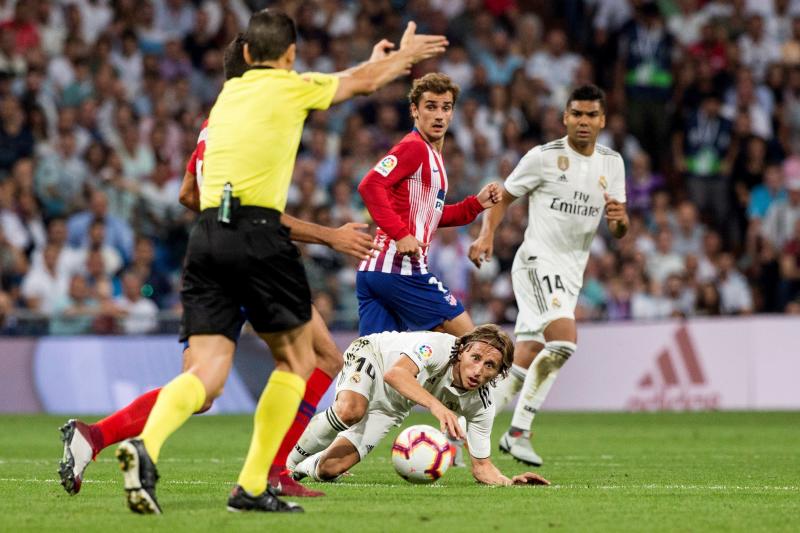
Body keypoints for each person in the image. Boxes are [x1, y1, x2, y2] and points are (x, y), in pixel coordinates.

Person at [113, 9, 447, 515]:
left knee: (205, 373)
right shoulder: (291, 87)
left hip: (206, 236)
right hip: (258, 235)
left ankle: (147, 446)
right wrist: (401, 58)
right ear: (289, 57)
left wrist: (375, 63)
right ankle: (251, 485)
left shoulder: (227, 96)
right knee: (300, 359)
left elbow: (190, 190)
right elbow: (361, 83)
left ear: (246, 55)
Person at [58, 34, 382, 499]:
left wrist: (219, 219)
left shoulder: (216, 123)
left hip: (210, 254)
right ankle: (268, 473)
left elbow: (189, 194)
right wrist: (329, 235)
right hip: (256, 259)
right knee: (311, 360)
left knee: (208, 388)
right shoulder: (254, 118)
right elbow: (254, 211)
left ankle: (95, 437)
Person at [468, 84, 628, 466]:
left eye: (591, 115)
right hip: (538, 260)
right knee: (565, 341)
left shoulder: (613, 163)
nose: (584, 122)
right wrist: (486, 233)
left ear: (602, 120)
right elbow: (504, 196)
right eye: (577, 114)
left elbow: (620, 227)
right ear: (565, 118)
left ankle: (467, 427)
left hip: (572, 271)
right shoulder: (542, 157)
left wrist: (620, 222)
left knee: (526, 355)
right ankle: (519, 432)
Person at [287, 324, 549, 487]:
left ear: (498, 374)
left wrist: (512, 483)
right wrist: (437, 407)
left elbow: (482, 468)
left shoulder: (480, 406)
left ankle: (299, 471)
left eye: (489, 365)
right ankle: (284, 466)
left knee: (330, 469)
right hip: (372, 358)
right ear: (462, 352)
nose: (478, 370)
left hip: (394, 405)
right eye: (475, 357)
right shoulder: (437, 347)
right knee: (350, 411)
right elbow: (395, 374)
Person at [356, 72, 499, 338]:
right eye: (430, 107)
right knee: (472, 344)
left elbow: (429, 216)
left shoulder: (433, 155)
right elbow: (370, 185)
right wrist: (400, 234)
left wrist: (476, 205)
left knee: (374, 370)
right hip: (400, 269)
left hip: (374, 272)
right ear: (414, 110)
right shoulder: (415, 148)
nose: (439, 115)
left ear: (452, 113)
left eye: (446, 108)